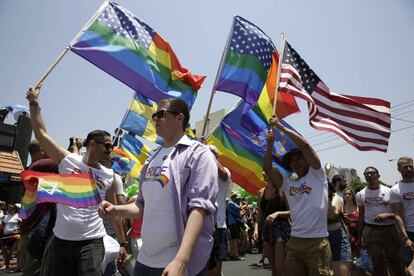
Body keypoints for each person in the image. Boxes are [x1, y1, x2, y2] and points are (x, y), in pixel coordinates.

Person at [99, 98, 218, 276]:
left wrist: (181, 260)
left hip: (177, 260)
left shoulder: (199, 153)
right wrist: (116, 209)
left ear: (180, 118)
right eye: (154, 115)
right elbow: (142, 205)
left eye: (161, 114)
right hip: (146, 258)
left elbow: (200, 208)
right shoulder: (151, 158)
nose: (155, 119)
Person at [26, 86, 126, 276]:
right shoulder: (67, 160)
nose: (109, 149)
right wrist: (33, 102)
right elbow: (41, 133)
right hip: (61, 241)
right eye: (106, 145)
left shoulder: (109, 175)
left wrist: (122, 243)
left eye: (111, 146)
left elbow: (114, 212)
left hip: (92, 242)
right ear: (91, 144)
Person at [263, 116, 332, 275]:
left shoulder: (317, 175)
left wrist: (280, 127)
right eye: (292, 161)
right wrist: (269, 145)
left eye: (299, 158)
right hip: (294, 241)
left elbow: (305, 145)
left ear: (307, 160)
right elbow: (267, 168)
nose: (296, 162)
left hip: (317, 241)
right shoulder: (288, 183)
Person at [18, 139, 59, 276]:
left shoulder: (31, 167)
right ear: (42, 150)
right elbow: (68, 160)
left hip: (28, 230)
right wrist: (75, 148)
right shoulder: (42, 165)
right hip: (36, 233)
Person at [356, 166, 406, 276]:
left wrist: (388, 215)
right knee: (377, 263)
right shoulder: (360, 194)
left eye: (372, 173)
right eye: (366, 174)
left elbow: (398, 213)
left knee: (395, 260)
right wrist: (359, 237)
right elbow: (361, 216)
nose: (369, 175)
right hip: (370, 230)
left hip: (390, 229)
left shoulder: (390, 191)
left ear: (378, 175)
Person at [254, 172, 290, 276]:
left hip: (281, 230)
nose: (264, 173)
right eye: (264, 171)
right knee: (273, 267)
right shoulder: (261, 192)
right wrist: (256, 229)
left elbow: (292, 212)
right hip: (267, 230)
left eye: (268, 171)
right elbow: (260, 215)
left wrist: (278, 214)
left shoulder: (282, 192)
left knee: (280, 267)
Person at [207, 145, 231, 276]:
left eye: (211, 155)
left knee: (214, 271)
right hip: (201, 227)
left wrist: (208, 153)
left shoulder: (224, 171)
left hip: (218, 226)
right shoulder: (199, 171)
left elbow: (224, 176)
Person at [390, 157, 414, 274]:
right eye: (405, 167)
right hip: (409, 232)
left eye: (411, 166)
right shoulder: (395, 190)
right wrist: (406, 237)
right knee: (409, 265)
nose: (409, 169)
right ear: (399, 169)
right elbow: (398, 214)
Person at [327, 182, 351, 276]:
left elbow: (331, 215)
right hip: (320, 239)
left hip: (338, 238)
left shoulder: (336, 198)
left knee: (340, 273)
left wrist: (326, 197)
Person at [342, 187, 359, 257]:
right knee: (350, 252)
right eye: (345, 194)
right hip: (348, 232)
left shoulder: (358, 205)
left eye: (349, 194)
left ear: (353, 195)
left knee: (359, 250)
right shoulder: (342, 207)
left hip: (359, 231)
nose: (347, 196)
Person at [227, 194, 244, 261]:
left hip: (233, 223)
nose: (238, 200)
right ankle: (235, 255)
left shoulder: (230, 203)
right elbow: (240, 208)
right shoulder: (231, 203)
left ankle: (232, 254)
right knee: (235, 239)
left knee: (233, 239)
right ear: (233, 197)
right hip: (233, 223)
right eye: (237, 199)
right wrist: (241, 203)